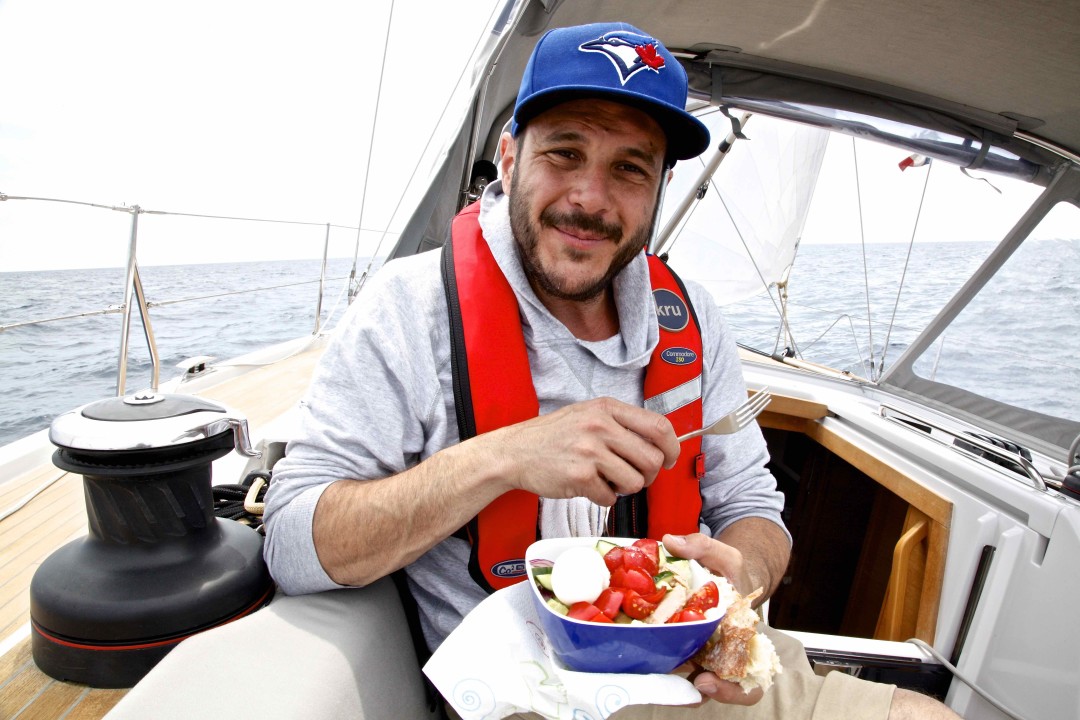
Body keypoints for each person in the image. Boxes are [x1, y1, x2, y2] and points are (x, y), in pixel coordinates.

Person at [261, 21, 961, 720]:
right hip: (524, 696)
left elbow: (753, 508)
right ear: (509, 156)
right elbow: (293, 543)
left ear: (660, 187)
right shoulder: (409, 309)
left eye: (630, 168)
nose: (591, 198)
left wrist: (737, 586)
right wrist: (502, 457)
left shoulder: (693, 318)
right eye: (565, 153)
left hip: (693, 673)